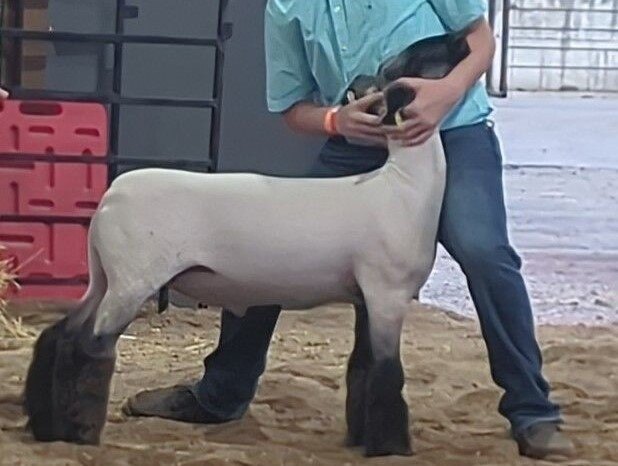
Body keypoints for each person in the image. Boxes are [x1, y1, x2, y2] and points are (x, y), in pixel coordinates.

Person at [123, 1, 574, 459]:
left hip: (450, 132)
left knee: (482, 249)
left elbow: (480, 38)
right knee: (268, 240)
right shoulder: (286, 7)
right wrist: (334, 121)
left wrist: (448, 92)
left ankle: (532, 411)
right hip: (358, 144)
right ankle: (221, 394)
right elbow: (293, 109)